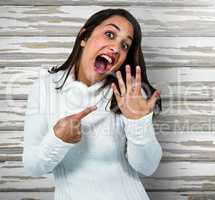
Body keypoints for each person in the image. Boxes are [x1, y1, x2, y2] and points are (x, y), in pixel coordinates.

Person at [23, 8, 163, 200]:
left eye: (124, 45)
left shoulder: (130, 94)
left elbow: (147, 167)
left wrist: (138, 122)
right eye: (109, 34)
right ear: (84, 36)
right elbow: (33, 167)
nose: (115, 48)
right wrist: (57, 139)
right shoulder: (44, 88)